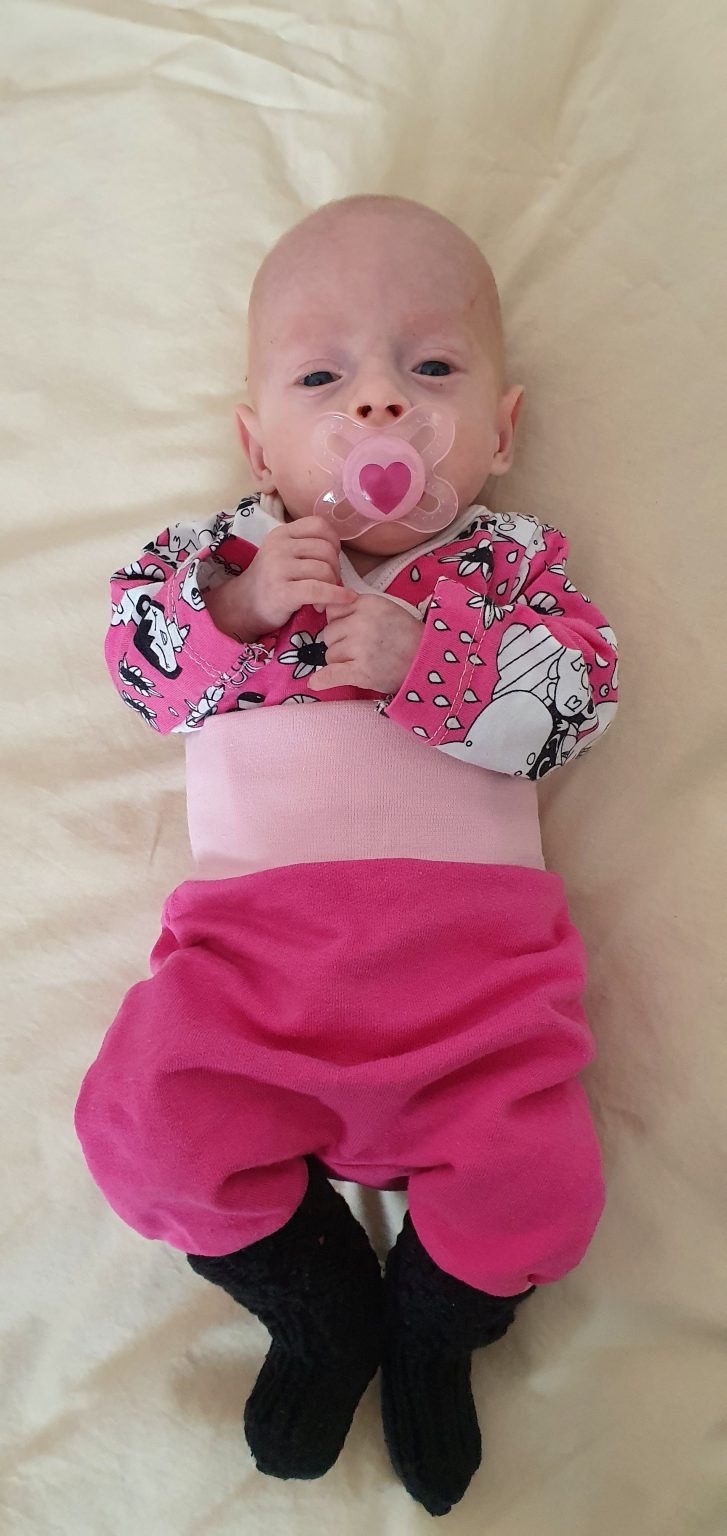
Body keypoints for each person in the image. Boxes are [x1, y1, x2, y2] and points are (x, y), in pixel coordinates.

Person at [74, 194, 618, 1517]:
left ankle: (435, 1328)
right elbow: (143, 676)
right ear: (257, 439)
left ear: (501, 431)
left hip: (477, 991)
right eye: (323, 378)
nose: (379, 403)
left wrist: (438, 662)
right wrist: (239, 608)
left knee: (543, 1190)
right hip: (253, 982)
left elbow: (578, 703)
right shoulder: (217, 562)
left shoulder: (512, 572)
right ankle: (319, 1307)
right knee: (148, 1129)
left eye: (429, 368)